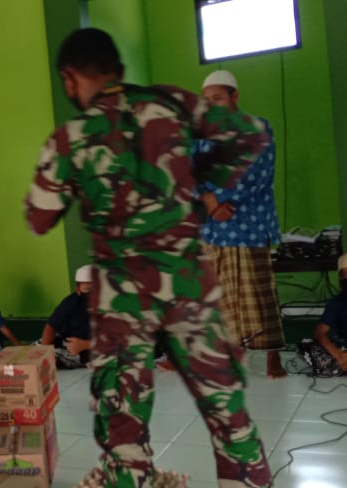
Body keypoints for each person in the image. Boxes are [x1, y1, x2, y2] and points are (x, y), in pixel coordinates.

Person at [24, 28, 272, 487]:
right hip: (188, 280)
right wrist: (198, 180)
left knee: (123, 421)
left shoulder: (71, 138)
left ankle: (129, 476)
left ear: (69, 79)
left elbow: (39, 218)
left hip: (123, 295)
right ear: (118, 70)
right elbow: (249, 133)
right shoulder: (171, 102)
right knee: (226, 408)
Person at [197, 70, 288, 379]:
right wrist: (209, 202)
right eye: (207, 100)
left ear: (234, 96)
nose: (212, 105)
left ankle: (273, 356)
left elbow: (257, 173)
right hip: (213, 227)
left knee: (259, 292)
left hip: (249, 222)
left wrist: (222, 200)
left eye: (218, 98)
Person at [40, 265, 92, 369]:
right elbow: (51, 326)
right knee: (34, 355)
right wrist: (45, 352)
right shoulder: (70, 303)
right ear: (78, 289)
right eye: (87, 289)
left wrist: (84, 345)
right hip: (68, 345)